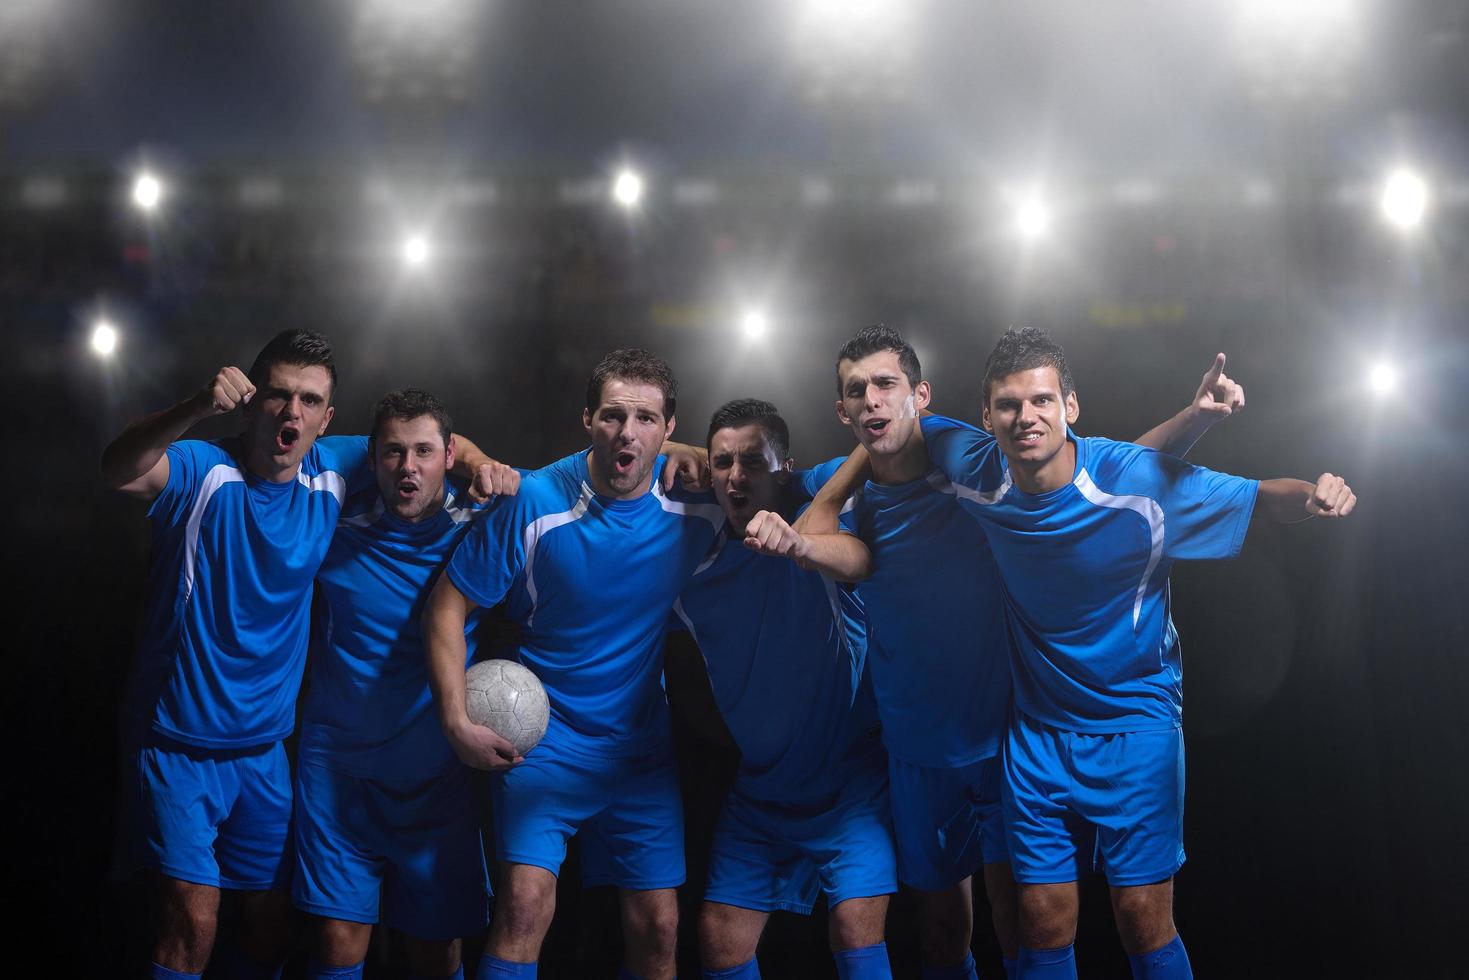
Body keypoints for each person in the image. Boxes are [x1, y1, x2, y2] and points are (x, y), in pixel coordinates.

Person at [793, 326, 1244, 980]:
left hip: (1003, 731)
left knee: (1025, 918)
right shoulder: (845, 484)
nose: (871, 400)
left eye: (885, 386)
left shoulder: (975, 462)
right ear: (841, 410)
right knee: (943, 931)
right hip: (917, 742)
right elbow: (770, 485)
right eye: (856, 392)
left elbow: (1096, 473)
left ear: (919, 396)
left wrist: (1192, 418)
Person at [916, 327, 1355, 979]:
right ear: (985, 418)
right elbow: (898, 423)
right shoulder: (972, 467)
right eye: (1007, 405)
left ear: (1069, 407)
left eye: (1040, 401)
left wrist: (1317, 496)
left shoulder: (1137, 485)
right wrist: (820, 506)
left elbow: (1260, 495)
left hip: (1135, 727)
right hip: (1036, 733)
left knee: (1140, 917)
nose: (1024, 416)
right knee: (1038, 918)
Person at [423, 348, 725, 980]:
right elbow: (447, 609)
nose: (627, 432)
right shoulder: (535, 503)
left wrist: (698, 455)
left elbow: (770, 479)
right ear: (587, 419)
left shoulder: (694, 510)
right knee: (523, 910)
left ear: (670, 429)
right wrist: (454, 721)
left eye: (647, 419)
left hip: (639, 749)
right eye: (613, 415)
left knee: (661, 928)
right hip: (545, 743)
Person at [103, 330, 370, 980]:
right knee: (192, 923)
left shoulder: (332, 474)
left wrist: (478, 465)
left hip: (264, 753)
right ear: (252, 402)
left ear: (327, 419)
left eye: (309, 401)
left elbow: (433, 445)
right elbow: (121, 468)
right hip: (176, 747)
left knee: (274, 926)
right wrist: (194, 405)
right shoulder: (202, 470)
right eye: (278, 395)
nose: (293, 413)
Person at [293, 387, 520, 980]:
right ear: (371, 458)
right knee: (339, 940)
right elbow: (277, 448)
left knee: (436, 952)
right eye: (393, 453)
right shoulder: (334, 511)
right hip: (340, 767)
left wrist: (477, 461)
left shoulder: (485, 517)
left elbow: (590, 477)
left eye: (424, 452)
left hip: (437, 775)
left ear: (448, 456)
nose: (408, 468)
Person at [672, 398, 895, 980]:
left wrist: (801, 546)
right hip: (763, 793)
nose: (736, 476)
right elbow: (635, 453)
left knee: (854, 930)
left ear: (785, 467)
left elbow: (861, 559)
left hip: (851, 788)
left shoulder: (813, 504)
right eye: (723, 463)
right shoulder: (692, 555)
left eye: (753, 461)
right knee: (719, 939)